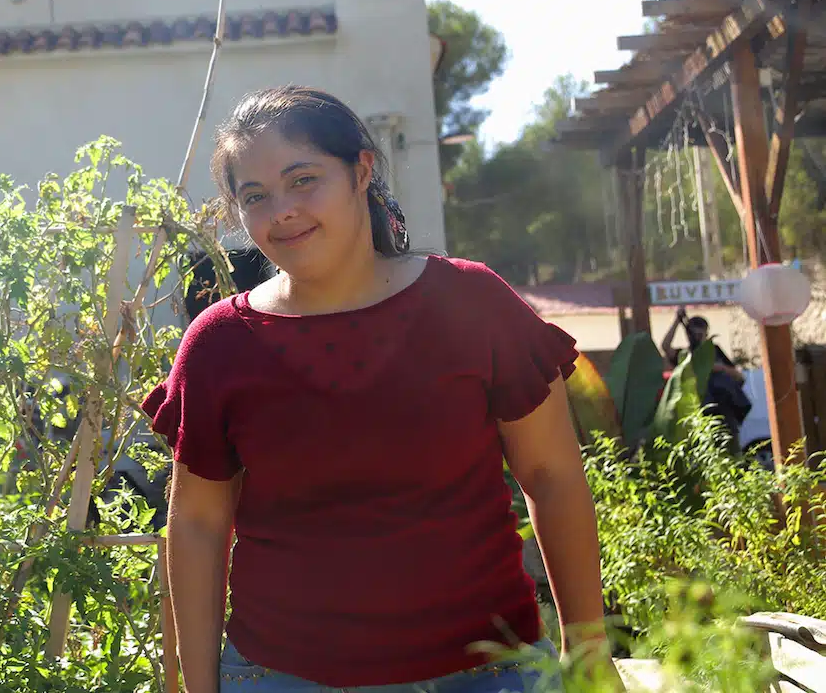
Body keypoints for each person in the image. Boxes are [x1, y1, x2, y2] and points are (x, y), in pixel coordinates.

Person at [142, 85, 619, 693]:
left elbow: (552, 478)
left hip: (489, 674)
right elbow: (199, 526)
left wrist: (592, 661)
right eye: (255, 196)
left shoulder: (471, 303)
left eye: (303, 179)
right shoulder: (218, 344)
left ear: (361, 171)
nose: (281, 209)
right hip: (283, 678)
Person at [659, 308, 751, 451]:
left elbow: (739, 376)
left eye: (700, 334)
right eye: (693, 334)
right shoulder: (686, 356)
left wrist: (718, 368)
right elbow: (665, 346)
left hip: (723, 412)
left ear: (706, 334)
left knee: (730, 452)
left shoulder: (714, 351)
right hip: (698, 414)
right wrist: (677, 321)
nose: (697, 338)